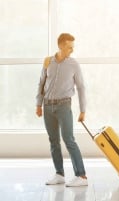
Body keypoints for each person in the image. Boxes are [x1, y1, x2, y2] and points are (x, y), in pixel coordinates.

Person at [35, 33, 88, 187]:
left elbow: (81, 87)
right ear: (60, 45)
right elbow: (41, 83)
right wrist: (38, 104)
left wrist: (82, 110)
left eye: (73, 47)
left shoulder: (74, 64)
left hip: (64, 105)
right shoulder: (47, 62)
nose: (72, 50)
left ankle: (81, 176)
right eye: (69, 47)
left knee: (68, 139)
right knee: (53, 141)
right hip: (47, 105)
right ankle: (59, 174)